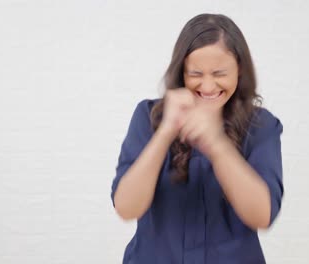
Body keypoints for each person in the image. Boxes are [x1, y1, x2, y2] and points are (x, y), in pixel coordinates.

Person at [111, 13, 284, 264]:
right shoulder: (148, 116)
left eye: (219, 73)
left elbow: (262, 215)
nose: (208, 86)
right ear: (181, 71)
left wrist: (216, 145)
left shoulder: (261, 126)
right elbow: (126, 207)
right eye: (196, 73)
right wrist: (166, 132)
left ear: (240, 71)